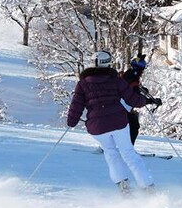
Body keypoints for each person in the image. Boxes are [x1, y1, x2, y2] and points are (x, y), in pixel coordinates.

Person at [67, 50, 162, 194]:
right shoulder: (116, 80)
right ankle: (148, 188)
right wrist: (145, 101)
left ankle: (124, 188)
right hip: (118, 122)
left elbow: (76, 105)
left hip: (97, 127)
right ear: (108, 63)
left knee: (111, 153)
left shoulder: (83, 84)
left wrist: (71, 122)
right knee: (128, 153)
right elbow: (133, 99)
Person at [121, 54, 149, 145]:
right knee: (133, 126)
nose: (143, 71)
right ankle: (128, 148)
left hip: (121, 106)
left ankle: (125, 147)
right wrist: (149, 101)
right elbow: (135, 98)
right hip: (122, 107)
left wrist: (141, 89)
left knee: (129, 125)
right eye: (142, 69)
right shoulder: (133, 78)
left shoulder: (129, 73)